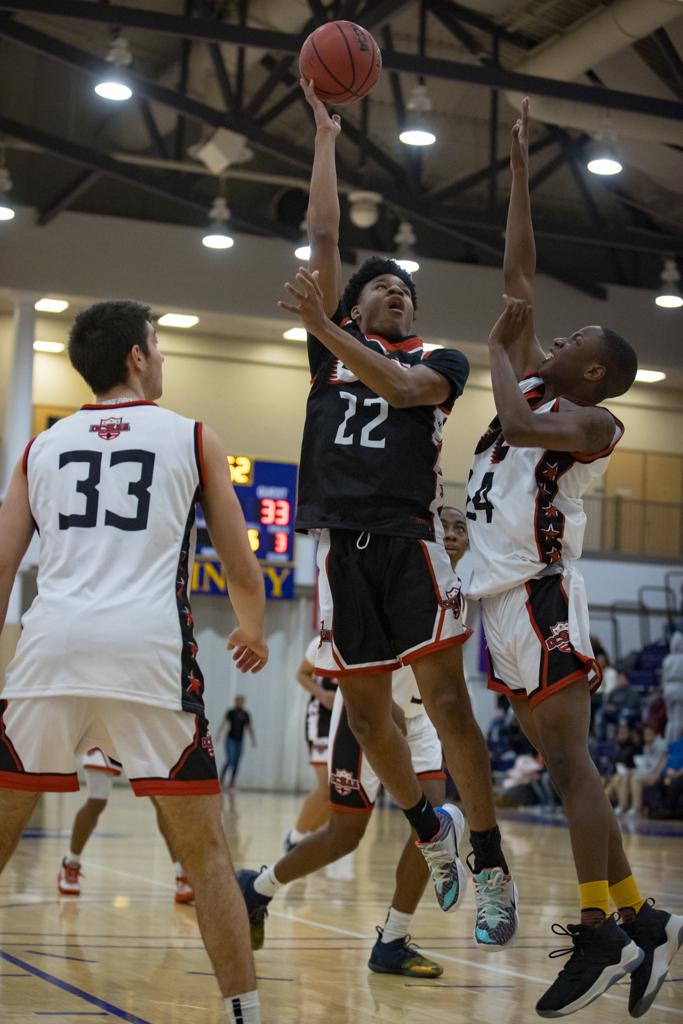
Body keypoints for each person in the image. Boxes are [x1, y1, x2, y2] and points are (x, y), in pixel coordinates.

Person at [274, 77, 518, 951]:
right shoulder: (330, 348)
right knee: (369, 716)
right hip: (343, 550)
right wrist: (327, 139)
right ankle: (429, 829)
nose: (398, 294)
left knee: (448, 706)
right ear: (355, 302)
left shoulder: (437, 360)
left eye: (407, 289)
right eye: (383, 288)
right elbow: (327, 235)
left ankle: (488, 864)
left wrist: (330, 330)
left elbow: (404, 386)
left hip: (413, 543)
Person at [465, 98, 682, 1018]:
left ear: (591, 372)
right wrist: (518, 163)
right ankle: (645, 922)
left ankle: (597, 929)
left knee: (574, 767)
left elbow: (515, 413)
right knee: (563, 768)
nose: (550, 342)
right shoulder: (547, 388)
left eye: (570, 344)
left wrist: (499, 352)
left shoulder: (589, 418)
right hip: (499, 605)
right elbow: (521, 275)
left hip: (546, 598)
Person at [0, 299, 268, 1024]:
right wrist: (252, 629)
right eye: (158, 343)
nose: (163, 356)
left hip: (47, 656)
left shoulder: (40, 448)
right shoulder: (192, 436)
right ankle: (244, 1013)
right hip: (147, 660)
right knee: (206, 854)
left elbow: (1, 567)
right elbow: (243, 569)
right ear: (137, 358)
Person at [238, 508, 472, 978]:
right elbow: (362, 659)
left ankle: (393, 939)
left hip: (419, 720)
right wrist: (389, 722)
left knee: (436, 828)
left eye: (459, 527)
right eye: (441, 523)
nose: (449, 533)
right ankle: (257, 886)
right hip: (370, 714)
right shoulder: (400, 568)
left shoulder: (464, 591)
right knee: (344, 836)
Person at [57, 747, 194, 903]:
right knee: (96, 800)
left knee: (162, 802)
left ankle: (182, 873)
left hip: (136, 733)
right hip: (105, 732)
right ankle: (71, 863)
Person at [282, 639, 338, 852]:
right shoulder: (323, 640)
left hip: (346, 717)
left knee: (337, 790)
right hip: (321, 717)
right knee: (327, 786)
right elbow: (301, 674)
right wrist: (322, 694)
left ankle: (306, 840)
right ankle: (294, 838)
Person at [609, 725, 668, 816]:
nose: (646, 737)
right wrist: (634, 770)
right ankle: (623, 806)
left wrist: (636, 771)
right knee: (623, 777)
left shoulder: (661, 744)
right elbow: (645, 764)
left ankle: (636, 808)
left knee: (635, 778)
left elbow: (654, 767)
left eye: (648, 734)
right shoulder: (647, 746)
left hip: (655, 774)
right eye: (645, 734)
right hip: (647, 772)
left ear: (655, 734)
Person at [216, 695, 256, 790]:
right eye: (239, 701)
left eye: (242, 701)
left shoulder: (246, 714)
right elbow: (224, 723)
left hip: (240, 741)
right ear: (236, 702)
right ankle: (221, 781)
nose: (241, 703)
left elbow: (249, 727)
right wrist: (218, 735)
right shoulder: (231, 712)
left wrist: (253, 739)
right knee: (230, 759)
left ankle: (231, 783)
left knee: (237, 762)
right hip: (230, 739)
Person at [662, 632, 683, 744]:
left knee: (670, 719)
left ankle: (668, 742)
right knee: (678, 718)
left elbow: (664, 678)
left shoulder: (667, 659)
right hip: (679, 688)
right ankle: (675, 743)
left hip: (668, 689)